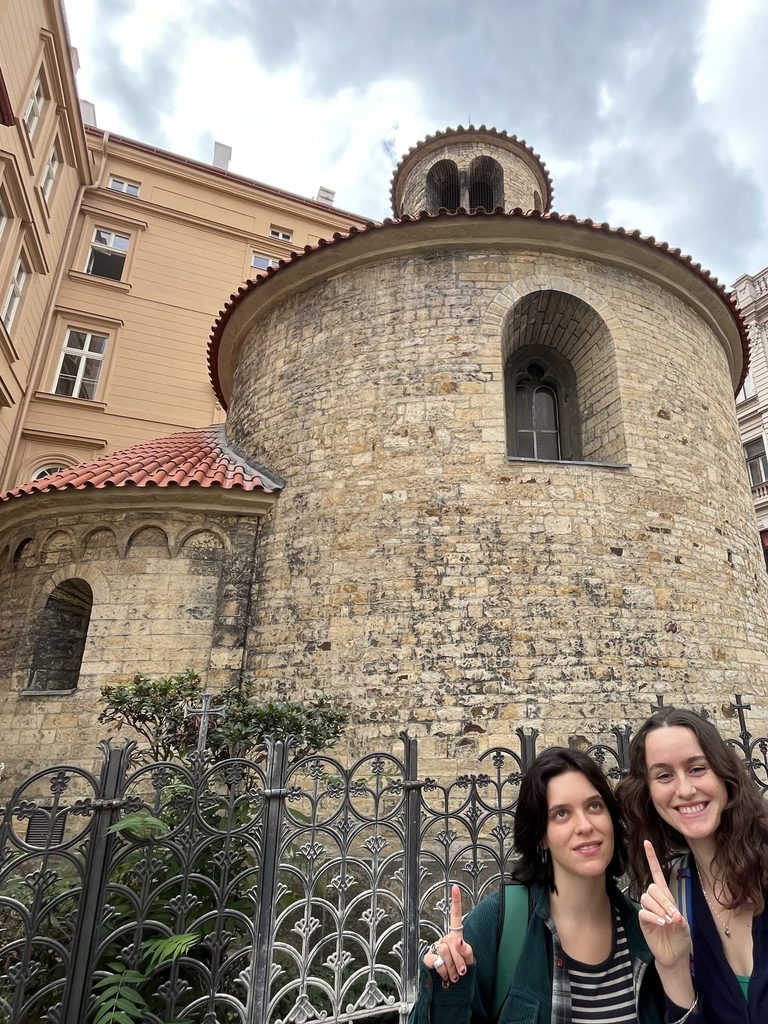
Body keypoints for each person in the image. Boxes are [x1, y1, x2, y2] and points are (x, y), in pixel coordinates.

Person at [411, 746, 696, 1024]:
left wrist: (675, 971)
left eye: (594, 806)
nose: (584, 825)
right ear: (541, 837)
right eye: (561, 813)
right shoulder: (499, 926)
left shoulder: (646, 932)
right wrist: (447, 983)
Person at [618, 706, 768, 1022]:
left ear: (724, 772)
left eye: (698, 768)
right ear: (649, 793)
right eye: (663, 776)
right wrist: (673, 967)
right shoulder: (675, 893)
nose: (685, 790)